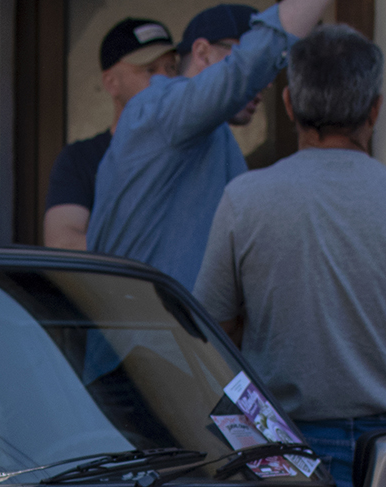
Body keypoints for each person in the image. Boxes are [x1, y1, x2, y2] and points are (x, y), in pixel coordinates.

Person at [194, 25, 386, 487]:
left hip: (283, 440)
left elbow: (210, 333)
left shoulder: (245, 199)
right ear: (374, 109)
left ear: (289, 105)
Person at [86, 1, 327, 285]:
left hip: (181, 326)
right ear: (202, 52)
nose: (267, 83)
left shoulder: (216, 136)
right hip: (145, 326)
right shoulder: (158, 108)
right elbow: (245, 70)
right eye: (241, 48)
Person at [42, 19, 178, 251]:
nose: (164, 80)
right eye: (149, 70)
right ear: (111, 82)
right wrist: (149, 253)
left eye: (171, 68)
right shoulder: (80, 159)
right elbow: (62, 242)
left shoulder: (188, 151)